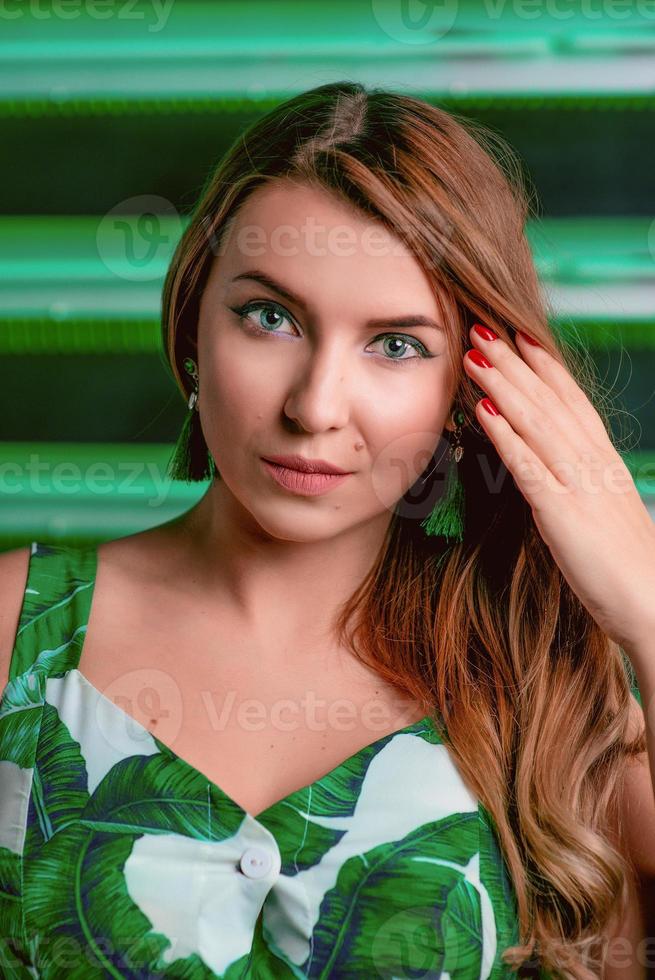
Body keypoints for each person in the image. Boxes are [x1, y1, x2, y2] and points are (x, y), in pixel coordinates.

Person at [0, 81, 653, 979]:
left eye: (395, 345)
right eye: (269, 318)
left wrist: (646, 606)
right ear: (193, 324)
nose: (313, 407)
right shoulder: (15, 631)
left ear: (470, 386)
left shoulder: (539, 671)